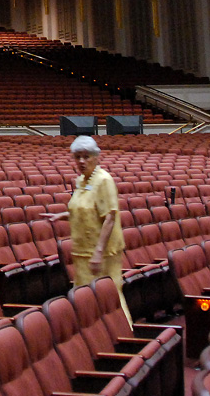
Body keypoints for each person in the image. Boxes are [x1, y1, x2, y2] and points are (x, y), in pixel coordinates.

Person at [64, 134, 129, 321]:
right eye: (77, 157)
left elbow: (110, 217)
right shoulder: (82, 182)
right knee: (85, 301)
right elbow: (86, 211)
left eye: (86, 156)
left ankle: (123, 332)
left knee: (108, 299)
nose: (82, 161)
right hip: (82, 253)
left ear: (96, 156)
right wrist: (62, 216)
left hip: (101, 254)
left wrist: (98, 252)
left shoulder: (103, 180)